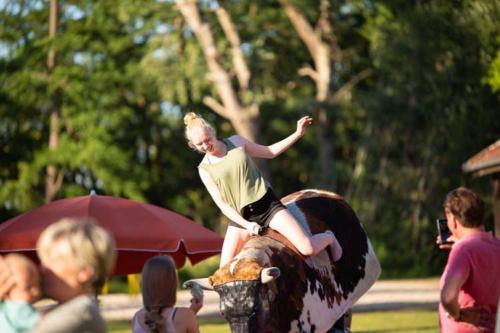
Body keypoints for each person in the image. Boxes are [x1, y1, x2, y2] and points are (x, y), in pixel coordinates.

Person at [184, 112, 342, 267]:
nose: (205, 146)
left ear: (212, 132)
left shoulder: (236, 142)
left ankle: (329, 237)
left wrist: (297, 133)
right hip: (241, 218)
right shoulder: (204, 169)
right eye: (199, 144)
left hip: (267, 206)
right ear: (193, 145)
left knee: (308, 248)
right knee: (223, 271)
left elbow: (270, 152)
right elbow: (222, 204)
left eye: (207, 140)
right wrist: (246, 225)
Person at [31, 217, 116, 333]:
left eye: (53, 261)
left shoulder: (81, 315)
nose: (42, 269)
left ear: (85, 272)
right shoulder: (69, 311)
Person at [438, 187, 500, 333]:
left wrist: (457, 315)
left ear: (453, 220)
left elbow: (448, 297)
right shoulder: (497, 246)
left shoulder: (463, 250)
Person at [132, 255, 202, 333]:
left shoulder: (137, 318)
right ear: (173, 284)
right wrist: (191, 313)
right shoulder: (185, 316)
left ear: (144, 284)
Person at [0, 253, 41, 333]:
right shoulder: (19, 308)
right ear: (7, 293)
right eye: (28, 288)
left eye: (38, 284)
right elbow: (44, 324)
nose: (36, 291)